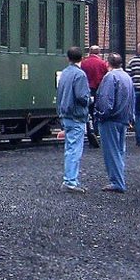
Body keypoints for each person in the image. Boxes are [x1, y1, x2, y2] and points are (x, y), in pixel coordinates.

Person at [96, 53, 135, 193]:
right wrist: (131, 117)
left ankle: (117, 182)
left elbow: (106, 99)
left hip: (111, 119)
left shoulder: (110, 77)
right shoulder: (127, 77)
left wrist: (100, 114)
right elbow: (132, 98)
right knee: (119, 150)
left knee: (111, 152)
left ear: (108, 63)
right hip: (123, 118)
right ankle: (119, 179)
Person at [56, 47, 90, 193]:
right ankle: (70, 181)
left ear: (68, 58)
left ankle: (70, 179)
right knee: (75, 149)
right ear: (81, 58)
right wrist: (90, 100)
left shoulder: (64, 73)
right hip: (77, 115)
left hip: (65, 115)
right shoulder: (80, 75)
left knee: (69, 148)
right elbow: (82, 96)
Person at [80, 45, 108, 143]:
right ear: (98, 52)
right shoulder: (102, 63)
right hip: (99, 91)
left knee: (88, 111)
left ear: (90, 52)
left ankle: (88, 130)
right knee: (97, 112)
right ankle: (96, 131)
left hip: (87, 90)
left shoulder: (84, 63)